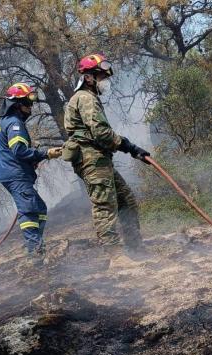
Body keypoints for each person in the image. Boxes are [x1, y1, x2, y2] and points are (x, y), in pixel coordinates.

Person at [62, 53, 151, 255]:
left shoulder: (88, 98)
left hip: (100, 159)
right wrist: (128, 146)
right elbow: (101, 133)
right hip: (92, 160)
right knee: (105, 206)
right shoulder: (85, 98)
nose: (105, 82)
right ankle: (115, 257)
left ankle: (135, 248)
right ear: (89, 77)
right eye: (102, 77)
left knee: (125, 200)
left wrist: (131, 148)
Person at [0, 83, 62, 262]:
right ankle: (35, 253)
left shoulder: (5, 122)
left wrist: (34, 159)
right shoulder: (15, 123)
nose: (31, 107)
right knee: (30, 211)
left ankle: (36, 246)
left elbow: (15, 152)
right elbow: (18, 150)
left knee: (39, 208)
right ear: (17, 104)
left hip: (13, 174)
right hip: (16, 176)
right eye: (28, 103)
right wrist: (45, 153)